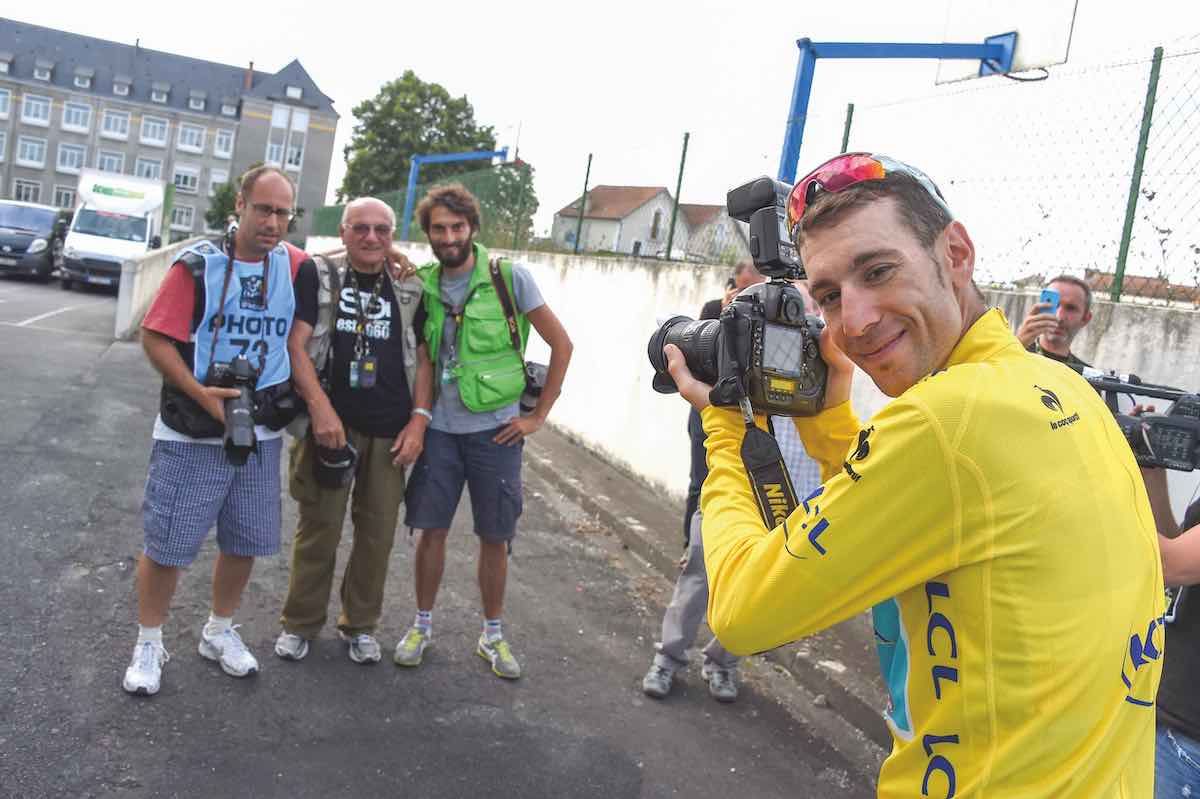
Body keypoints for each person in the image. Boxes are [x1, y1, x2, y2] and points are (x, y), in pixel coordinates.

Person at [662, 152, 1163, 796]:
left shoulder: (944, 423)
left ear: (955, 252)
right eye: (830, 297)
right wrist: (830, 420)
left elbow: (740, 614)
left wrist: (727, 428)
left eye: (878, 270)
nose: (857, 321)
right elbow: (928, 518)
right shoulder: (1060, 389)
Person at [123, 166, 315, 695]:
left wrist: (390, 259)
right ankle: (148, 641)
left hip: (260, 429)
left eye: (284, 212)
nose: (274, 222)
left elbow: (352, 257)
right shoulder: (199, 266)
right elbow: (156, 338)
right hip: (192, 429)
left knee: (244, 539)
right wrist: (199, 392)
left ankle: (219, 630)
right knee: (167, 544)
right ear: (241, 204)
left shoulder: (296, 267)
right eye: (264, 209)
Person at [393, 184, 573, 680]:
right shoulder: (425, 282)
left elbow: (562, 344)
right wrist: (421, 418)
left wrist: (538, 417)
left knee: (495, 536)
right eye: (438, 229)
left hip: (497, 433)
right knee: (430, 530)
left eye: (457, 227)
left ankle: (492, 635)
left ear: (472, 229)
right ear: (427, 234)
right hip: (440, 435)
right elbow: (428, 357)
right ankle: (422, 625)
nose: (448, 237)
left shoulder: (508, 277)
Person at [642, 281, 821, 703]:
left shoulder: (825, 361)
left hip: (793, 508)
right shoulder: (745, 353)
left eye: (806, 302)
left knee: (759, 596)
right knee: (698, 579)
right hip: (731, 494)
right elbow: (716, 427)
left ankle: (722, 663)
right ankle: (667, 658)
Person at [273, 197, 433, 664]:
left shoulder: (409, 285)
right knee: (318, 529)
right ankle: (300, 624)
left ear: (393, 235)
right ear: (342, 232)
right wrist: (320, 411)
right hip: (329, 433)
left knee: (377, 536)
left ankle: (359, 625)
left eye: (382, 230)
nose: (371, 237)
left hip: (389, 431)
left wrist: (419, 421)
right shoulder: (318, 274)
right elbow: (296, 345)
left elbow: (424, 357)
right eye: (360, 228)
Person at [1137, 466, 1200, 798]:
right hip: (1179, 731)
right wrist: (1152, 476)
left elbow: (1169, 564)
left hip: (1188, 741)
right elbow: (1173, 543)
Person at [1015, 274, 1093, 368]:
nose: (1059, 317)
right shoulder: (1014, 353)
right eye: (1053, 304)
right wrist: (1016, 345)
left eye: (1070, 308)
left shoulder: (1088, 376)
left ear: (1085, 318)